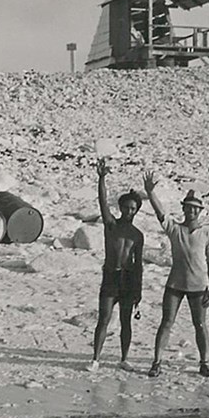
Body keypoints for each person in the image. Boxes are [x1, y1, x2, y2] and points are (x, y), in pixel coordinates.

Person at [143, 171, 209, 378]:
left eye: (196, 208)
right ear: (184, 208)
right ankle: (157, 362)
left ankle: (205, 362)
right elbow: (161, 214)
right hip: (175, 284)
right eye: (189, 207)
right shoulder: (175, 229)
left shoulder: (206, 233)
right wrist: (151, 193)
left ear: (200, 211)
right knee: (166, 322)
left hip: (199, 285)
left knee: (200, 324)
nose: (192, 211)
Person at [86, 158, 144, 373]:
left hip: (128, 279)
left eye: (133, 209)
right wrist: (101, 179)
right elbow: (102, 203)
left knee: (126, 321)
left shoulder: (138, 235)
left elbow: (138, 265)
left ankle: (124, 358)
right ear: (121, 208)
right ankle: (95, 358)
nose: (130, 211)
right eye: (127, 208)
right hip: (111, 276)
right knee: (104, 318)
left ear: (137, 210)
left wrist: (138, 288)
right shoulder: (111, 225)